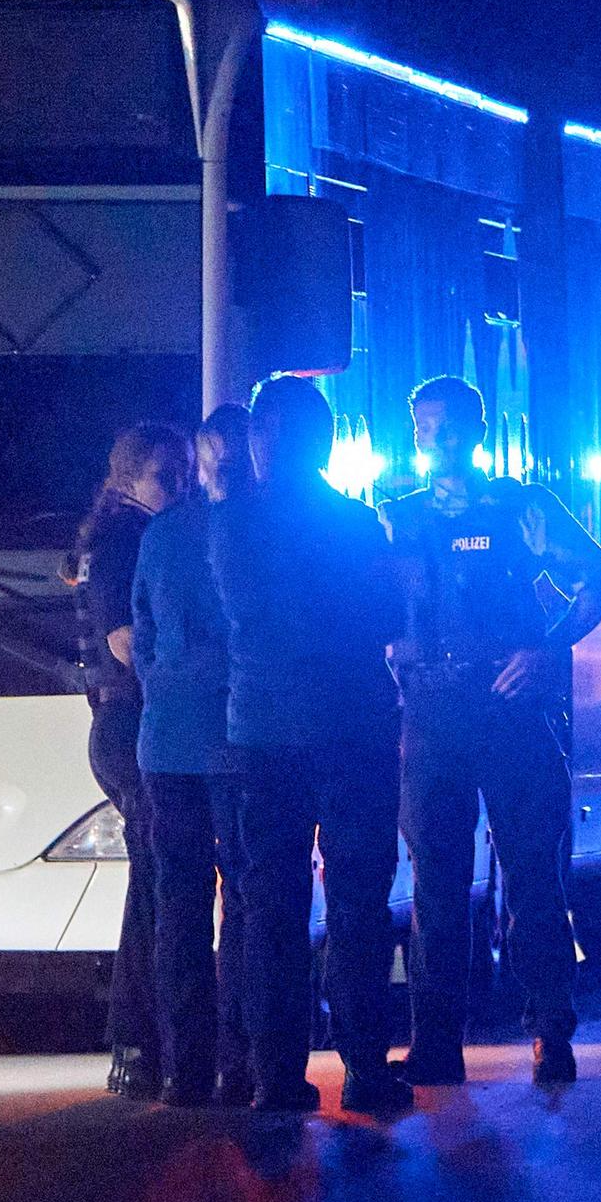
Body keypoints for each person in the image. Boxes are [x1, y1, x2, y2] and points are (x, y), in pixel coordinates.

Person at [379, 375, 601, 1087]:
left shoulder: (524, 507)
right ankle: (436, 1044)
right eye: (425, 427)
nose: (436, 439)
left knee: (534, 877)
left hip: (509, 711)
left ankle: (550, 1032)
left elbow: (597, 578)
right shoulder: (394, 516)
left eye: (449, 426)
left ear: (478, 432)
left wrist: (546, 649)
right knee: (436, 889)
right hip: (432, 714)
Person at [208, 374, 410, 1117]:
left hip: (260, 731)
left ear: (261, 440)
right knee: (359, 903)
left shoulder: (228, 525)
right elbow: (389, 618)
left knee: (269, 909)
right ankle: (363, 1067)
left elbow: (233, 617)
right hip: (353, 727)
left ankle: (276, 1077)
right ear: (326, 443)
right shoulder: (356, 526)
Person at [131, 403, 259, 1107]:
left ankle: (185, 1065)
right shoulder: (256, 532)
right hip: (239, 740)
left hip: (167, 742)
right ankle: (241, 1060)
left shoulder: (162, 533)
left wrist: (163, 683)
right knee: (244, 900)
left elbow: (142, 631)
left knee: (176, 902)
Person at [74, 422, 190, 1099]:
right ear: (127, 480)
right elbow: (124, 644)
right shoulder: (128, 539)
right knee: (155, 886)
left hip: (120, 724)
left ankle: (139, 1039)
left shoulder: (111, 535)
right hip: (132, 723)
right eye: (164, 477)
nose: (177, 490)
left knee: (154, 881)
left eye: (182, 475)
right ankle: (138, 1038)